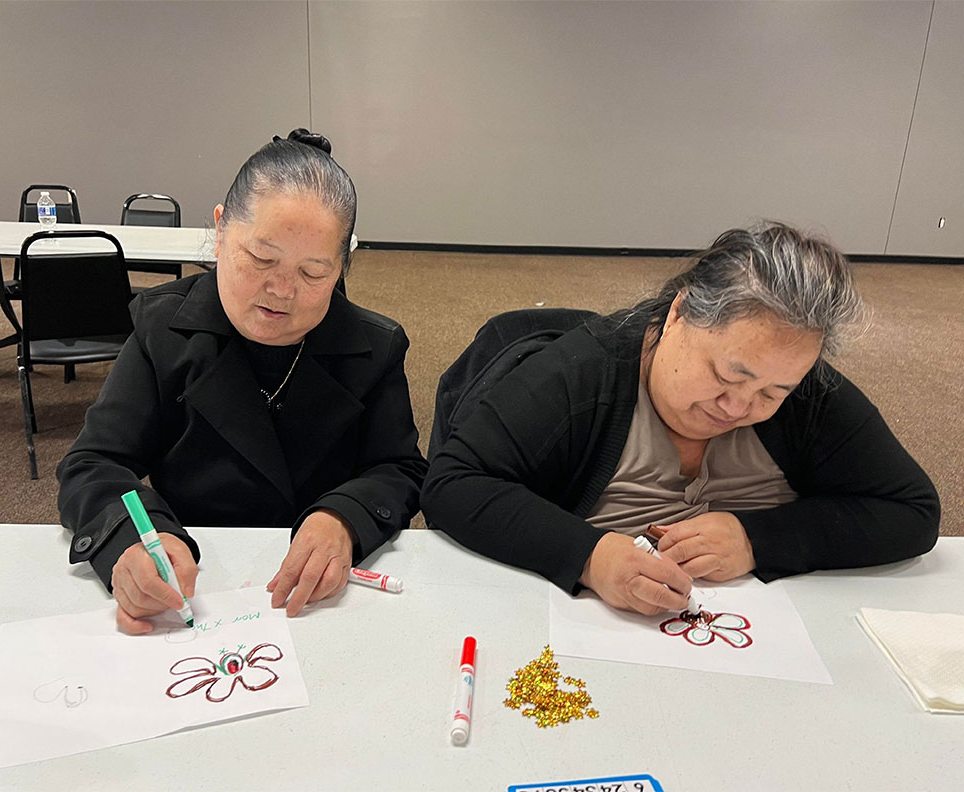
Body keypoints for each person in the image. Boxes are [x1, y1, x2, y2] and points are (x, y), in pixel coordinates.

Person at [421, 221, 940, 615]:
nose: (738, 408)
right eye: (725, 375)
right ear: (678, 312)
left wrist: (757, 540)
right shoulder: (581, 376)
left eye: (772, 393)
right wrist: (589, 556)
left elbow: (912, 511)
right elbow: (453, 483)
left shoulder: (807, 395)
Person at [58, 130, 427, 633]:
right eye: (260, 258)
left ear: (342, 266)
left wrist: (344, 517)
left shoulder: (375, 347)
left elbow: (399, 467)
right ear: (219, 230)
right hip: (198, 587)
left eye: (313, 272)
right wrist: (132, 537)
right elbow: (94, 462)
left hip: (324, 598)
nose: (281, 290)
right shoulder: (163, 330)